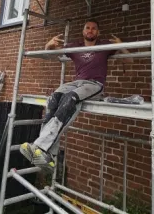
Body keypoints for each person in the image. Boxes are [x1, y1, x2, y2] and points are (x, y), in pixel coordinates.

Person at [20, 18, 131, 171]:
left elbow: (129, 59)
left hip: (93, 84)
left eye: (94, 28)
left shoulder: (104, 45)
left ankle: (40, 146)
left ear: (98, 32)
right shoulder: (75, 46)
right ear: (83, 31)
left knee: (70, 98)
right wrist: (48, 45)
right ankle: (45, 152)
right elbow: (50, 54)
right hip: (76, 83)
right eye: (87, 28)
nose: (90, 30)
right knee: (54, 98)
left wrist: (122, 46)